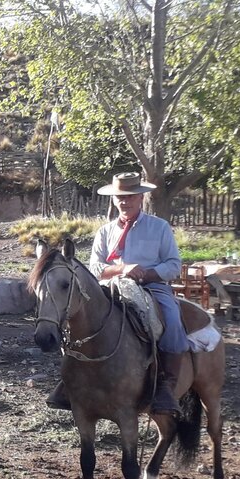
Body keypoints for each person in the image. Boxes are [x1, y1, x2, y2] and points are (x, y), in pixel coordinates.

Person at [49, 171, 183, 415]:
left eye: (130, 196)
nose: (125, 201)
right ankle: (70, 381)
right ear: (114, 200)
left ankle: (166, 385)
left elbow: (173, 265)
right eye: (120, 197)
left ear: (140, 198)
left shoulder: (159, 228)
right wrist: (123, 268)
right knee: (80, 319)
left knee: (172, 321)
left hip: (150, 287)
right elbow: (95, 267)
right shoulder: (105, 231)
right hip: (112, 287)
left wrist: (146, 273)